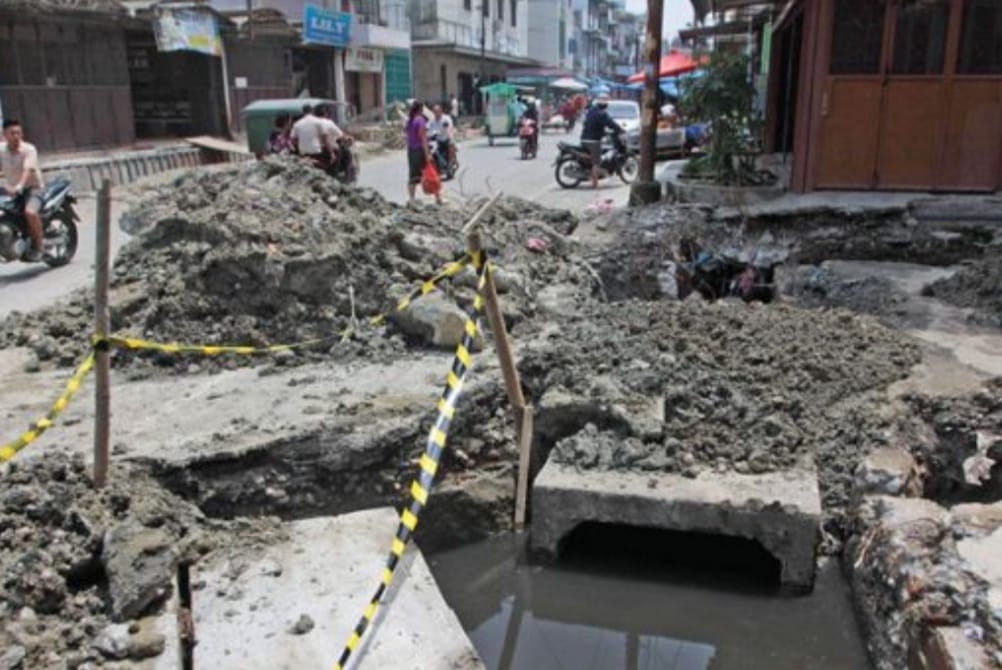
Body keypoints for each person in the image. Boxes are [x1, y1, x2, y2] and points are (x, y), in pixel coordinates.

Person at [0, 119, 44, 261]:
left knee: (29, 212)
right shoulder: (1, 151)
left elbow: (27, 170)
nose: (16, 136)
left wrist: (19, 185)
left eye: (19, 133)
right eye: (12, 133)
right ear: (4, 135)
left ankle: (39, 245)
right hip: (12, 191)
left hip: (33, 188)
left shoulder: (29, 149)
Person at [580, 94, 623, 189]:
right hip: (593, 141)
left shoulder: (591, 110)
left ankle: (596, 174)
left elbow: (594, 125)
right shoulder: (602, 114)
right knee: (596, 162)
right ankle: (595, 184)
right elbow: (611, 123)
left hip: (584, 138)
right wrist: (620, 129)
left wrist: (604, 132)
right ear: (605, 105)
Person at [405, 101, 440, 204]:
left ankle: (412, 199)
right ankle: (438, 197)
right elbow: (423, 139)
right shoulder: (420, 120)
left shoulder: (410, 120)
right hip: (420, 150)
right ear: (420, 109)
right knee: (431, 172)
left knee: (412, 175)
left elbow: (407, 136)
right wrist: (427, 154)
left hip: (411, 150)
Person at [427, 104, 455, 174]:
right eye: (434, 111)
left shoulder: (446, 119)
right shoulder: (432, 120)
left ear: (441, 111)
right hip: (436, 140)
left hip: (446, 138)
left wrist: (449, 136)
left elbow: (448, 128)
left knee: (451, 144)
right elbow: (426, 127)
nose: (436, 113)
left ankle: (450, 164)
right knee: (428, 148)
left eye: (437, 111)